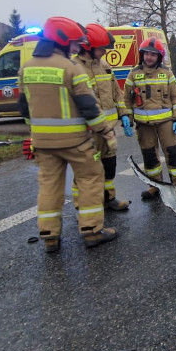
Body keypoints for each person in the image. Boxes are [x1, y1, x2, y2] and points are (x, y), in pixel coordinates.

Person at [18, 16, 118, 253]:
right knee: (91, 179)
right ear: (61, 42)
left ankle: (49, 236)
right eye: (73, 44)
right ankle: (92, 231)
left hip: (42, 143)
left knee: (49, 186)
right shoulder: (70, 68)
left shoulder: (27, 68)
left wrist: (35, 134)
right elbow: (89, 106)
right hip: (76, 142)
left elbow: (24, 107)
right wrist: (105, 131)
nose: (76, 48)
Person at [117, 37, 176, 201]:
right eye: (147, 54)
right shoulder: (133, 74)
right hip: (143, 125)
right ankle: (155, 186)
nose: (149, 57)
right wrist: (127, 118)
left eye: (153, 55)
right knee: (149, 156)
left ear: (159, 57)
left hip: (166, 123)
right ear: (142, 55)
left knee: (173, 154)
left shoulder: (167, 73)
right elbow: (126, 99)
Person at [75, 23, 130, 212]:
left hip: (108, 129)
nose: (104, 52)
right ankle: (84, 207)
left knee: (109, 164)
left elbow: (116, 92)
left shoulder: (104, 66)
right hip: (87, 131)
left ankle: (109, 199)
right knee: (87, 169)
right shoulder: (75, 68)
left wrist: (124, 115)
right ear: (88, 47)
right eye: (101, 49)